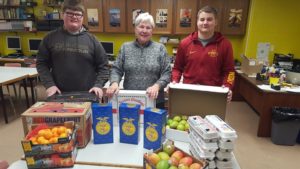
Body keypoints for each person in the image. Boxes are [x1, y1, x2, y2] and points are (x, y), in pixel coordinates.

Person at [36, 0, 109, 98]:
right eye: (70, 13)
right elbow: (41, 63)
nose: (74, 17)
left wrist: (98, 86)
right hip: (58, 94)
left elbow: (104, 66)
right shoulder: (49, 38)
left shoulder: (93, 40)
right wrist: (50, 85)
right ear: (62, 15)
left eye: (78, 14)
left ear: (82, 17)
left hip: (87, 94)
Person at [106, 12, 171, 109]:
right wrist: (114, 82)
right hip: (130, 100)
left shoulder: (160, 48)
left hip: (154, 101)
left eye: (148, 28)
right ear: (135, 29)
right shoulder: (125, 48)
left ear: (152, 30)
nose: (144, 30)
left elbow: (167, 73)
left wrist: (157, 86)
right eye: (141, 27)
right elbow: (116, 69)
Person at [172, 6, 235, 102]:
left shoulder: (225, 44)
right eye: (202, 19)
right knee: (187, 116)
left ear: (216, 22)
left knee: (211, 117)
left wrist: (228, 86)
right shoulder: (185, 43)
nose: (205, 23)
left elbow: (230, 72)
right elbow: (177, 68)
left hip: (213, 94)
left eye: (209, 19)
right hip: (189, 91)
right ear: (197, 22)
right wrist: (174, 81)